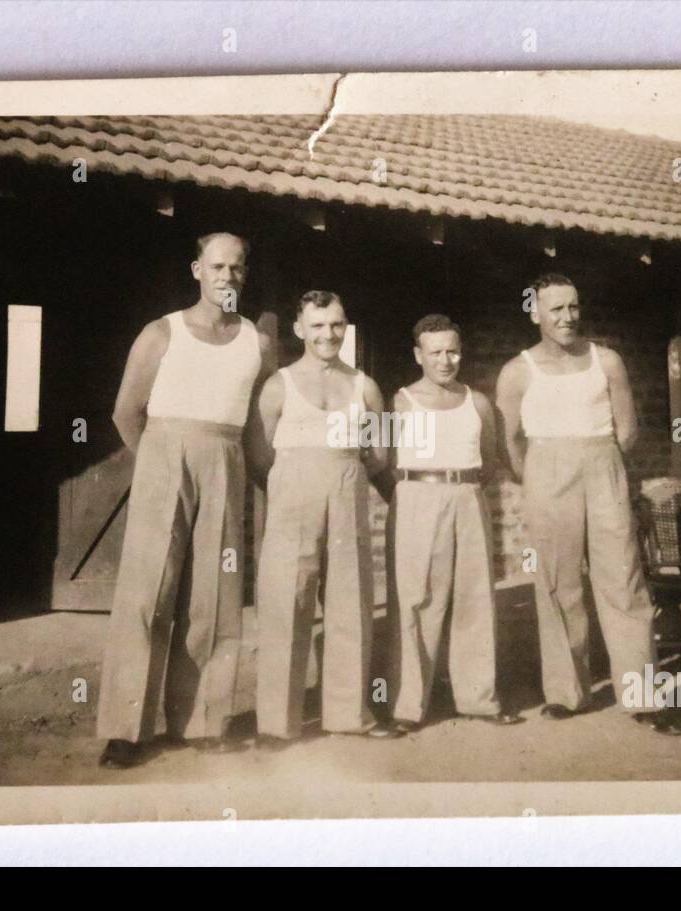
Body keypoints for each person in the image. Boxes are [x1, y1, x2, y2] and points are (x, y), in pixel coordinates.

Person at [97, 232, 276, 768]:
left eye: (237, 269)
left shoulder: (257, 342)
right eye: (217, 267)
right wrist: (160, 458)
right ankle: (126, 730)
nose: (227, 277)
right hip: (164, 456)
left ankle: (201, 720)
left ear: (246, 274)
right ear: (197, 269)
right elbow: (126, 412)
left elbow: (259, 425)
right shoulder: (161, 333)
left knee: (216, 596)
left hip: (226, 457)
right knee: (147, 590)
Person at [495, 274, 681, 735]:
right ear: (535, 313)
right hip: (547, 470)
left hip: (603, 465)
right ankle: (566, 692)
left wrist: (601, 464)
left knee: (623, 577)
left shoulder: (608, 361)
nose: (567, 317)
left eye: (573, 307)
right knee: (559, 582)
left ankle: (641, 694)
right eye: (556, 309)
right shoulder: (517, 370)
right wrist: (540, 472)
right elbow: (505, 442)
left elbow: (627, 429)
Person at [250, 291, 401, 746]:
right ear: (299, 330)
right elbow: (258, 455)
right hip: (292, 500)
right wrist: (293, 488)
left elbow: (380, 454)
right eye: (317, 326)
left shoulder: (365, 386)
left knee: (351, 604)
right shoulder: (278, 385)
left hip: (348, 494)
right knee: (286, 606)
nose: (327, 334)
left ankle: (348, 714)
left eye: (336, 324)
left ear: (345, 326)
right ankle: (277, 724)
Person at [388, 314, 523, 732]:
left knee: (475, 598)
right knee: (415, 600)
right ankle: (407, 706)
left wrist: (460, 489)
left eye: (453, 351)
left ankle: (478, 698)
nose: (446, 360)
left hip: (467, 496)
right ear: (418, 355)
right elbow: (384, 461)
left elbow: (488, 458)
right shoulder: (400, 401)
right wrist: (415, 495)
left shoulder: (477, 402)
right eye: (436, 353)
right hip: (417, 497)